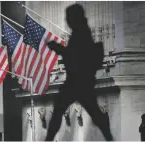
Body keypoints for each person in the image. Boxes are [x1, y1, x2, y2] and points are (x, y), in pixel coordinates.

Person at [45, 4, 113, 141]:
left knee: (59, 109)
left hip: (77, 82)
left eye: (68, 17)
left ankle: (48, 139)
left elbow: (75, 56)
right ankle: (109, 136)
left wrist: (57, 48)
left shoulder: (81, 33)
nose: (66, 20)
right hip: (81, 82)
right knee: (94, 113)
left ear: (74, 18)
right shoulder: (81, 31)